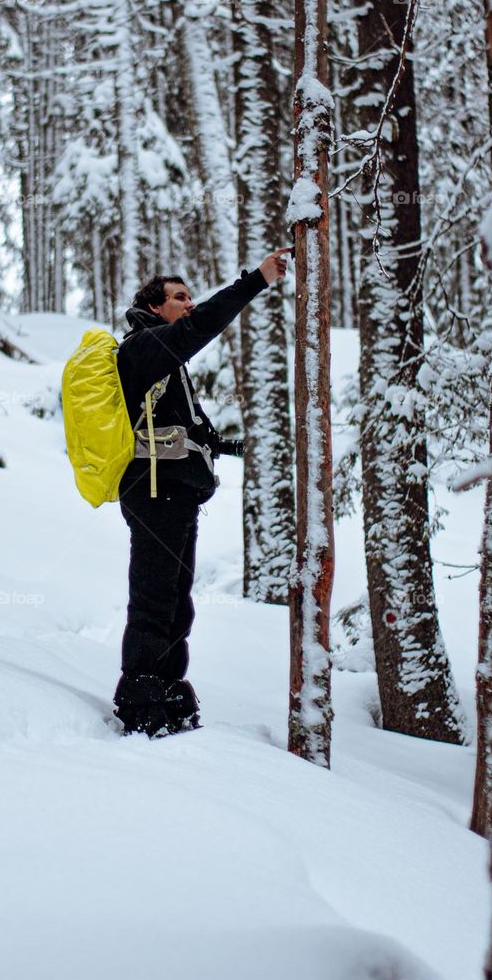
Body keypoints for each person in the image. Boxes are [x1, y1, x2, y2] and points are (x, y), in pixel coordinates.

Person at [112, 249, 291, 737]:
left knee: (177, 600)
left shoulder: (167, 363)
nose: (188, 304)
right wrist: (256, 280)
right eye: (178, 297)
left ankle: (170, 691)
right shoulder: (142, 348)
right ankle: (139, 696)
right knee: (153, 596)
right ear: (153, 308)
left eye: (190, 296)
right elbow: (201, 327)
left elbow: (188, 429)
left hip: (176, 492)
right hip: (152, 492)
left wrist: (231, 446)